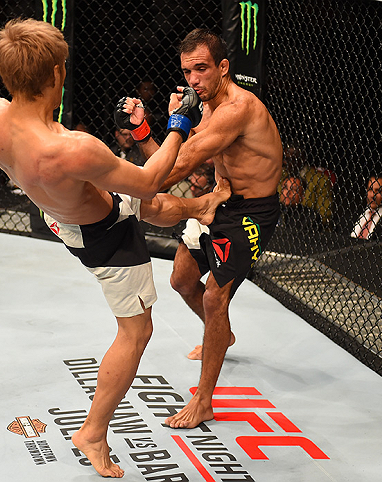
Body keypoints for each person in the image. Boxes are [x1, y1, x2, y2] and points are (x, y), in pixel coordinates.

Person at [0, 19, 229, 478]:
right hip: (103, 236)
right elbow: (150, 179)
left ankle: (201, 207)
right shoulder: (72, 149)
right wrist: (177, 124)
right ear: (55, 75)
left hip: (62, 215)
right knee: (137, 331)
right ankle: (92, 432)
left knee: (139, 204)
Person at [116, 28, 283, 429]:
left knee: (214, 298)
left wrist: (176, 125)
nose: (193, 80)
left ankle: (204, 401)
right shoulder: (206, 105)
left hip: (252, 212)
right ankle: (221, 337)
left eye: (202, 69)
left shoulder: (236, 109)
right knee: (180, 279)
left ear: (223, 67)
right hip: (221, 199)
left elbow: (177, 166)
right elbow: (168, 162)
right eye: (187, 71)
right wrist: (144, 131)